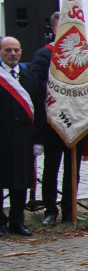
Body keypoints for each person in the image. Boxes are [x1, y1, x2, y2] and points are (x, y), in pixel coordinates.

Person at [30, 11, 88, 226]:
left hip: (77, 121)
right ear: (53, 29)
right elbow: (37, 89)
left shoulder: (82, 56)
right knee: (51, 168)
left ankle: (70, 209)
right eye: (62, 27)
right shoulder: (43, 55)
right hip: (53, 122)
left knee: (73, 169)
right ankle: (51, 210)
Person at [0, 36, 40, 236]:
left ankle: (17, 221)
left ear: (21, 52)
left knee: (21, 182)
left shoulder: (29, 76)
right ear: (1, 52)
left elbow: (39, 111)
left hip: (24, 137)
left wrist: (38, 140)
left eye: (16, 50)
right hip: (2, 137)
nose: (12, 54)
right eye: (7, 50)